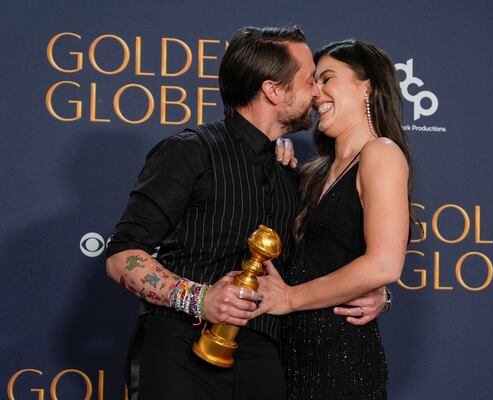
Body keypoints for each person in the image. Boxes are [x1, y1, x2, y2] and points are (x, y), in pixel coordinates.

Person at [105, 26, 387, 400]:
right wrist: (200, 298)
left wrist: (374, 291)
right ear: (273, 90)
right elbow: (122, 256)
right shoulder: (191, 151)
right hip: (180, 349)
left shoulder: (293, 175)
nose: (317, 92)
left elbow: (318, 258)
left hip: (269, 362)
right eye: (309, 80)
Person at [251, 40, 413, 400]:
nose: (316, 92)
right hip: (288, 356)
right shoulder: (312, 172)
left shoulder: (381, 154)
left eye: (327, 78)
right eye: (312, 82)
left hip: (341, 364)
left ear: (367, 86)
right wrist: (280, 177)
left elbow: (385, 263)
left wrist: (291, 298)